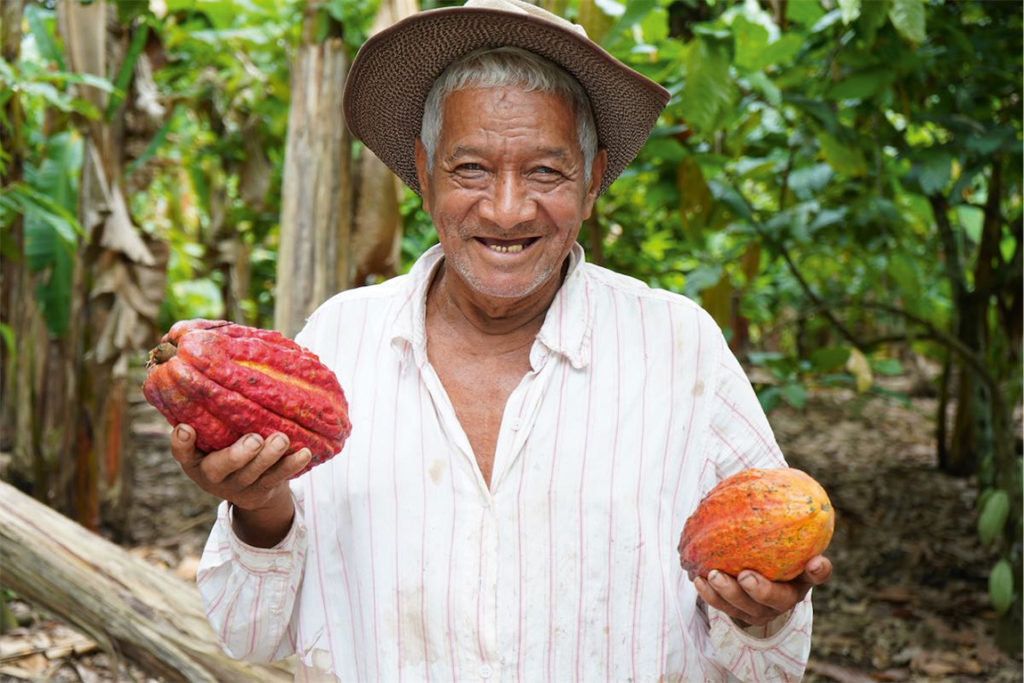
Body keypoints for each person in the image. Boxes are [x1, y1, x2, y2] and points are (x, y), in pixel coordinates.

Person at [173, 1, 833, 680]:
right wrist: (258, 510)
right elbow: (247, 633)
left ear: (594, 177)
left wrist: (762, 614)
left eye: (546, 172)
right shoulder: (342, 342)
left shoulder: (675, 348)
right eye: (471, 170)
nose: (508, 209)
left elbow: (773, 660)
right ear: (425, 172)